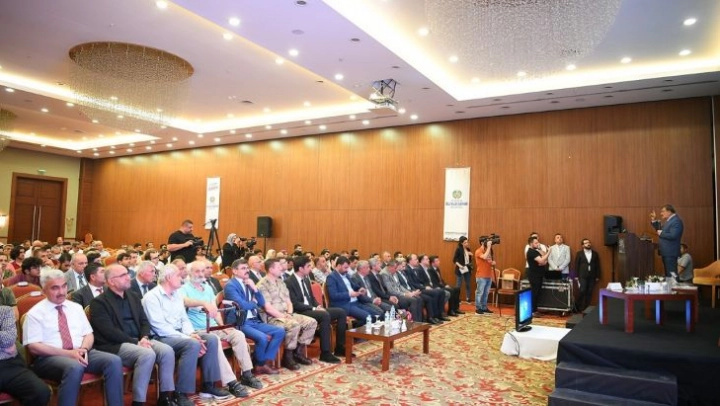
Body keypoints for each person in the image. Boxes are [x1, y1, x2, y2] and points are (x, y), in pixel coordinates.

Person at [23, 268, 123, 406]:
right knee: (74, 366)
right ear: (44, 290)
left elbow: (88, 334)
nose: (61, 292)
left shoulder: (75, 307)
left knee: (114, 361)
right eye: (55, 288)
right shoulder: (35, 314)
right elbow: (34, 347)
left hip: (81, 352)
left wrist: (84, 349)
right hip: (50, 358)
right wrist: (69, 354)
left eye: (64, 286)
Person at [90, 264, 179, 406]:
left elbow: (144, 321)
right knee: (147, 354)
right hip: (116, 344)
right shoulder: (99, 302)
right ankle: (138, 402)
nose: (128, 277)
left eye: (127, 274)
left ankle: (165, 397)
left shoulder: (134, 296)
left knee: (167, 351)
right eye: (123, 275)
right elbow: (108, 331)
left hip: (139, 340)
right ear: (111, 281)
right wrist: (136, 342)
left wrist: (144, 337)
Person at [142, 264, 233, 403]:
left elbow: (184, 319)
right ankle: (181, 393)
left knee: (211, 339)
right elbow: (160, 327)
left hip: (180, 334)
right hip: (162, 337)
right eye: (178, 275)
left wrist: (191, 333)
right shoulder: (152, 297)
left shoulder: (177, 294)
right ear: (168, 278)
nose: (182, 278)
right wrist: (189, 337)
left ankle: (208, 385)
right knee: (192, 344)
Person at [180, 261, 263, 397]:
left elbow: (216, 310)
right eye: (197, 271)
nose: (201, 274)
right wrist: (203, 303)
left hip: (214, 326)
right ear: (189, 273)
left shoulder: (207, 288)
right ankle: (231, 382)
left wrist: (222, 326)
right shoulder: (184, 288)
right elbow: (185, 301)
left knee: (238, 335)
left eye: (202, 271)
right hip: (198, 330)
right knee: (215, 341)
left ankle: (247, 374)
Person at [223, 259, 284, 375]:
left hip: (254, 320)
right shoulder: (230, 286)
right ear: (234, 271)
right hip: (240, 322)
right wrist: (254, 302)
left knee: (280, 331)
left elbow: (261, 302)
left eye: (247, 268)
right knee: (262, 338)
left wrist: (255, 288)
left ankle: (262, 362)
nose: (247, 270)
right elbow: (242, 306)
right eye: (243, 268)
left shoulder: (249, 283)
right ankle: (260, 364)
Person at [257, 258, 317, 371]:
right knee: (293, 325)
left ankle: (298, 352)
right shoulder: (262, 285)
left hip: (286, 314)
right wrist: (283, 316)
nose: (282, 268)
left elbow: (289, 302)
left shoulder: (281, 282)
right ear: (271, 269)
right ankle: (287, 357)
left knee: (311, 322)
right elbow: (268, 308)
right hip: (272, 318)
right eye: (278, 266)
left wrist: (289, 313)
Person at [287, 256, 346, 363]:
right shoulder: (289, 282)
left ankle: (339, 348)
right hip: (300, 311)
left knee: (341, 312)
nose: (311, 268)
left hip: (311, 309)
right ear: (300, 268)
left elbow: (311, 298)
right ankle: (325, 353)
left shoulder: (306, 279)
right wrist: (314, 308)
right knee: (324, 315)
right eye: (308, 266)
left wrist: (318, 306)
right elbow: (295, 304)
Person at [0, 305, 51, 405]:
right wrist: (3, 347)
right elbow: (6, 342)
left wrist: (6, 343)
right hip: (6, 356)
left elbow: (9, 339)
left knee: (40, 392)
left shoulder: (5, 311)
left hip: (9, 366)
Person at [325, 256, 382, 327]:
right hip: (344, 304)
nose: (347, 270)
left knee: (376, 314)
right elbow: (333, 295)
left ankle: (358, 330)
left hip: (356, 302)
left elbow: (354, 286)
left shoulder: (346, 275)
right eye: (345, 268)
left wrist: (360, 289)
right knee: (368, 317)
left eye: (347, 268)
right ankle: (354, 331)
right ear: (339, 266)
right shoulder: (331, 277)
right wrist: (349, 294)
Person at [651, 204, 684, 277]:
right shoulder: (670, 221)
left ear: (669, 211)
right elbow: (660, 230)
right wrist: (654, 220)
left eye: (663, 211)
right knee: (668, 274)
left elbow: (673, 235)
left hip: (670, 252)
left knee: (672, 274)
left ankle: (674, 285)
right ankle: (670, 284)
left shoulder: (676, 221)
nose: (661, 213)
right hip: (667, 252)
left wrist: (661, 233)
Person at [574, 238, 601, 312]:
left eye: (589, 242)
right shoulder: (579, 254)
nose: (588, 244)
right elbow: (576, 265)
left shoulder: (595, 253)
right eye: (586, 243)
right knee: (582, 290)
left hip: (592, 276)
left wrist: (598, 276)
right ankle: (577, 307)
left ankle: (586, 309)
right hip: (582, 275)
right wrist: (576, 276)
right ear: (583, 245)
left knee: (589, 291)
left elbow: (598, 265)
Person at [526, 236, 550, 315]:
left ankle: (535, 310)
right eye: (536, 243)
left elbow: (544, 258)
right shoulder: (531, 252)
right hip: (534, 275)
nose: (538, 244)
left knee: (537, 292)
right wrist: (549, 252)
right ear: (531, 244)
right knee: (535, 293)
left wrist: (540, 249)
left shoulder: (536, 251)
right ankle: (533, 311)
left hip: (539, 274)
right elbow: (542, 260)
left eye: (538, 242)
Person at [474, 238, 495, 315]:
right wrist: (489, 247)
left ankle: (484, 307)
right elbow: (484, 257)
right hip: (481, 276)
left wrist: (492, 263)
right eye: (487, 241)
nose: (488, 242)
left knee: (486, 293)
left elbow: (488, 261)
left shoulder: (488, 251)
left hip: (489, 275)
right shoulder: (478, 251)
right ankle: (478, 309)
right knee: (480, 292)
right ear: (482, 242)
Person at [452, 236, 473, 302]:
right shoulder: (458, 249)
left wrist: (470, 255)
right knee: (459, 284)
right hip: (460, 268)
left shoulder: (468, 249)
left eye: (467, 242)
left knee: (468, 284)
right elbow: (454, 260)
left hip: (467, 268)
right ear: (461, 243)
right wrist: (460, 266)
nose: (467, 243)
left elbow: (469, 260)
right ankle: (457, 298)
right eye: (465, 242)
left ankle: (468, 298)